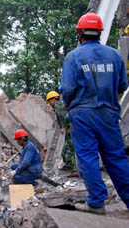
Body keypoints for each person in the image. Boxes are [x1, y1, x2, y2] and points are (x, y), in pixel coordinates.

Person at [59, 13, 129, 214]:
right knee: (116, 158)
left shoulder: (73, 57)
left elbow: (69, 88)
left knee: (87, 156)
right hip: (109, 113)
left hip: (83, 114)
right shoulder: (114, 55)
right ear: (99, 32)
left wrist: (68, 104)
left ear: (79, 33)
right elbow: (122, 86)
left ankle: (97, 201)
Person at [46, 91, 76, 170]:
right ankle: (68, 165)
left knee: (70, 147)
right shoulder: (60, 105)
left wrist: (64, 127)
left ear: (53, 100)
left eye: (49, 101)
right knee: (65, 148)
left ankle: (74, 168)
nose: (49, 104)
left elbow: (64, 117)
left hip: (71, 128)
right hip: (70, 128)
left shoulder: (58, 106)